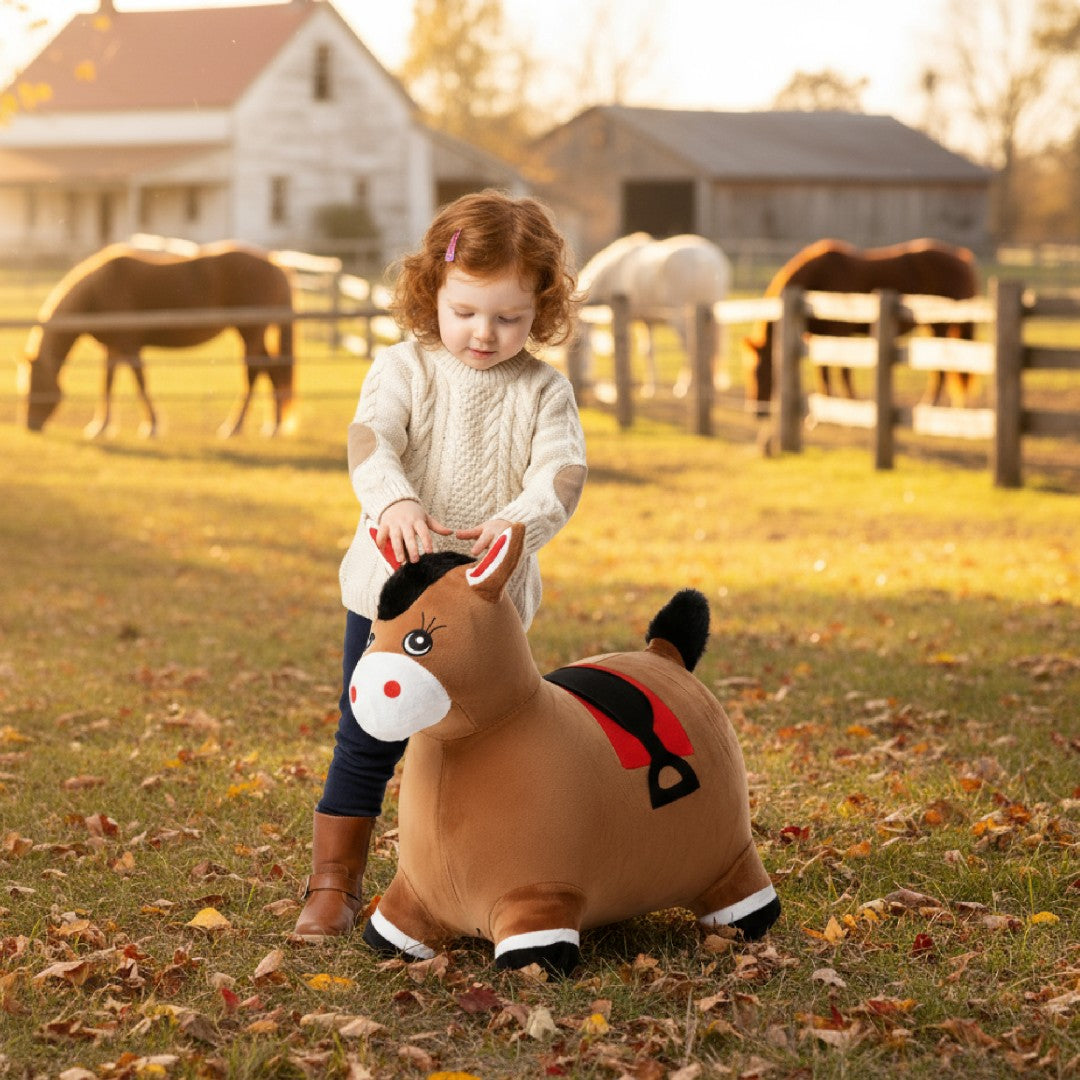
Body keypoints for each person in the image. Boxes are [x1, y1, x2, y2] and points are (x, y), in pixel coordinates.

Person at [293, 189, 588, 940]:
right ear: (433, 292)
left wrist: (519, 523)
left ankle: (475, 875)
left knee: (484, 747)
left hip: (485, 612)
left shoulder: (545, 391)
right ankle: (333, 882)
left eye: (509, 318)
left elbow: (561, 474)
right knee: (369, 732)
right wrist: (393, 501)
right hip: (390, 598)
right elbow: (371, 442)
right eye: (465, 312)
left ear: (542, 308)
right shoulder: (403, 368)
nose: (484, 333)